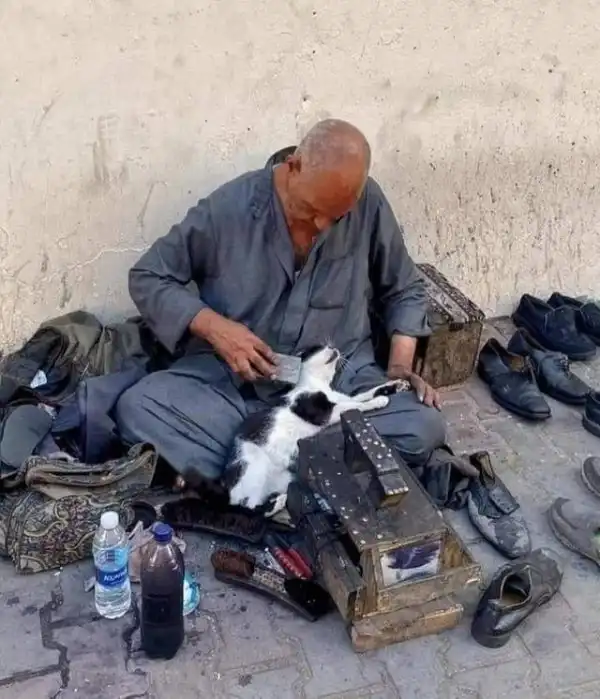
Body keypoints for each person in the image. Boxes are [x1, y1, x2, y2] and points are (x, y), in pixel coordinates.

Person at [115, 119, 451, 484]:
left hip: (337, 389)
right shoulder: (230, 207)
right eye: (311, 209)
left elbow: (404, 288)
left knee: (422, 423)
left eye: (336, 217)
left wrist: (399, 368)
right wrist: (215, 328)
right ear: (293, 167)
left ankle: (257, 471)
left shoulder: (368, 202)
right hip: (236, 390)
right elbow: (148, 276)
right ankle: (311, 470)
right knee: (140, 408)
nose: (321, 225)